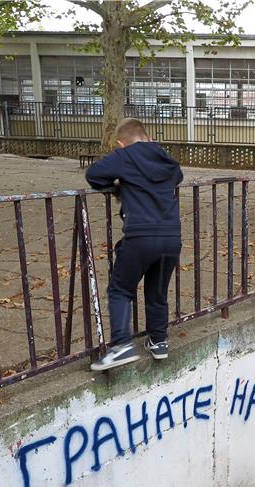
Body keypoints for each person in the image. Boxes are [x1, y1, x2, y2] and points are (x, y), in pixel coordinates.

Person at [85, 118, 182, 371]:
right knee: (157, 291)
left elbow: (93, 175)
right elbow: (177, 176)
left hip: (141, 236)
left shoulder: (125, 156)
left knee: (120, 289)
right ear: (147, 136)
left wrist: (118, 185)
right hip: (171, 237)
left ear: (120, 143)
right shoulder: (164, 156)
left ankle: (122, 345)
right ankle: (159, 341)